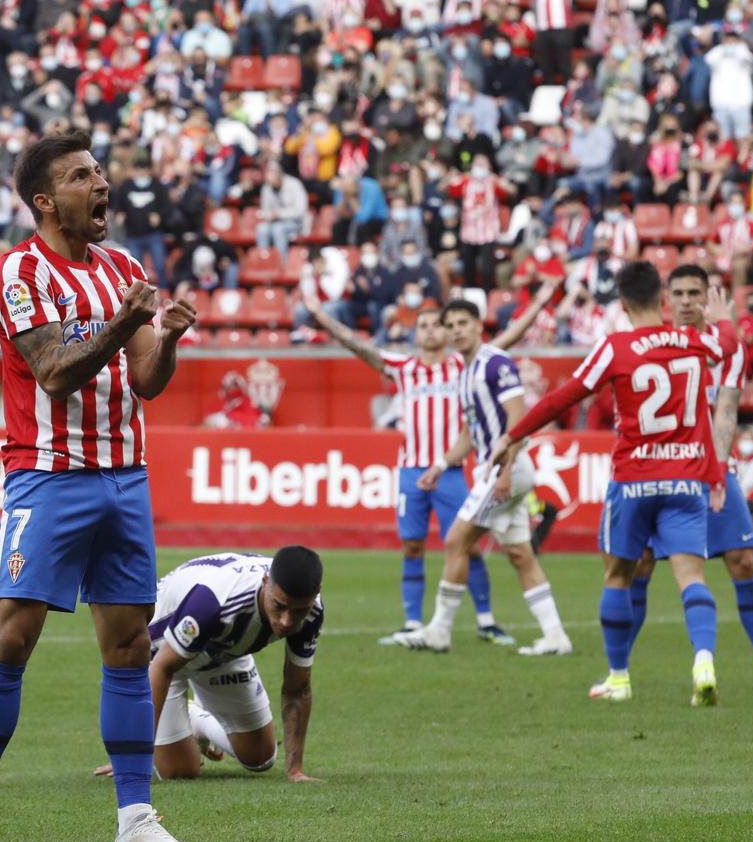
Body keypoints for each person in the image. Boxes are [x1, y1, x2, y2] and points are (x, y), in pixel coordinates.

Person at [0, 130, 200, 842]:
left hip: (125, 476)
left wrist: (163, 338)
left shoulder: (126, 268)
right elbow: (52, 371)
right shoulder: (18, 273)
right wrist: (124, 322)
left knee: (130, 643)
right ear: (46, 202)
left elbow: (143, 382)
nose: (100, 183)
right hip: (45, 476)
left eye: (100, 171)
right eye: (82, 176)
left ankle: (136, 817)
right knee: (13, 635)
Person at [489, 258, 730, 706]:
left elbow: (564, 397)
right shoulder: (696, 341)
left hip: (634, 481)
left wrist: (513, 435)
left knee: (618, 576)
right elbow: (729, 346)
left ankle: (619, 677)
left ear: (621, 302)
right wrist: (725, 322)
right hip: (685, 479)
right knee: (691, 577)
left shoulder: (615, 348)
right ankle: (702, 659)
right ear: (662, 297)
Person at [303, 282, 559, 646]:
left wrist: (536, 305)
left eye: (437, 325)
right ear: (415, 333)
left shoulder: (464, 364)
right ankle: (413, 623)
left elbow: (508, 339)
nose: (431, 331)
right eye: (422, 326)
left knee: (465, 543)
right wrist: (322, 318)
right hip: (413, 470)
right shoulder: (404, 367)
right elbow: (359, 346)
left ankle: (483, 620)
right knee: (413, 546)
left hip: (453, 471)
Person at [627, 267, 753, 691]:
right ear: (665, 299)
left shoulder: (727, 348)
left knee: (743, 561)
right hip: (660, 469)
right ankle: (618, 671)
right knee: (640, 564)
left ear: (709, 296)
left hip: (711, 469)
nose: (685, 301)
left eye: (694, 293)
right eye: (677, 293)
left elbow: (727, 410)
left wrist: (716, 470)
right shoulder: (656, 344)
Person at [390, 300, 574, 657]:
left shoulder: (495, 363)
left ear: (478, 325)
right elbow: (469, 436)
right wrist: (441, 465)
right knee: (520, 554)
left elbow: (519, 419)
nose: (456, 329)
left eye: (463, 322)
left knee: (457, 539)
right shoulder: (465, 372)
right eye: (451, 324)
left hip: (506, 471)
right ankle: (555, 635)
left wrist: (504, 471)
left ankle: (440, 631)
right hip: (498, 471)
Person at [90, 548, 325, 784]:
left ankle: (198, 722)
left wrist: (295, 771)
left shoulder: (312, 610)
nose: (287, 621)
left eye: (298, 612)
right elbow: (162, 668)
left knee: (261, 758)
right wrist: (133, 757)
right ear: (266, 582)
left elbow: (298, 688)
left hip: (222, 652)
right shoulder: (215, 602)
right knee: (180, 771)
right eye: (279, 606)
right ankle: (187, 717)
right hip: (162, 655)